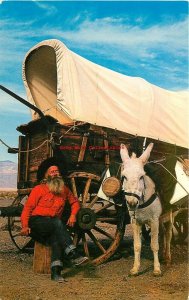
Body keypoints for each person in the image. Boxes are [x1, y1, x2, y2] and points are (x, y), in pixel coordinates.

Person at [20, 157, 89, 282]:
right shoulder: (38, 189)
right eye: (52, 172)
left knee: (56, 240)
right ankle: (73, 253)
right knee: (57, 222)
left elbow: (75, 203)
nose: (55, 173)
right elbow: (27, 209)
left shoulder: (64, 190)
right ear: (46, 176)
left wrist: (73, 215)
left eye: (57, 171)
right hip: (36, 223)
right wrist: (25, 226)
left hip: (52, 226)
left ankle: (56, 273)